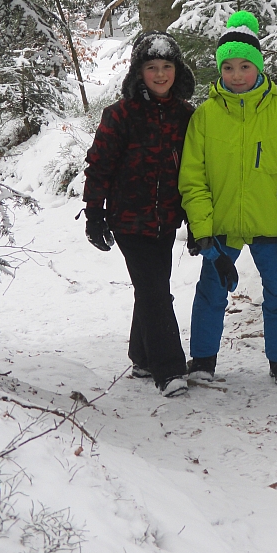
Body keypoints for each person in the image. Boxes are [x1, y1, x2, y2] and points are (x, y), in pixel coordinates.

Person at [179, 11, 277, 385]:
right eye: (229, 67)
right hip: (222, 225)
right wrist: (202, 230)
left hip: (268, 221)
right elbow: (193, 178)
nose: (236, 75)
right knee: (210, 293)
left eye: (245, 66)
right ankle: (202, 361)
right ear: (220, 70)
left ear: (259, 67)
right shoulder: (204, 118)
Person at [81, 33, 195, 398]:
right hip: (129, 219)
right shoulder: (120, 115)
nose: (160, 75)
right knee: (155, 291)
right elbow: (98, 167)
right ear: (139, 73)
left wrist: (196, 223)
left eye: (166, 67)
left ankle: (142, 356)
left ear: (177, 70)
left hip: (166, 220)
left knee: (152, 289)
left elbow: (196, 174)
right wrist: (94, 214)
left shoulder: (187, 116)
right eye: (151, 68)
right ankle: (169, 368)